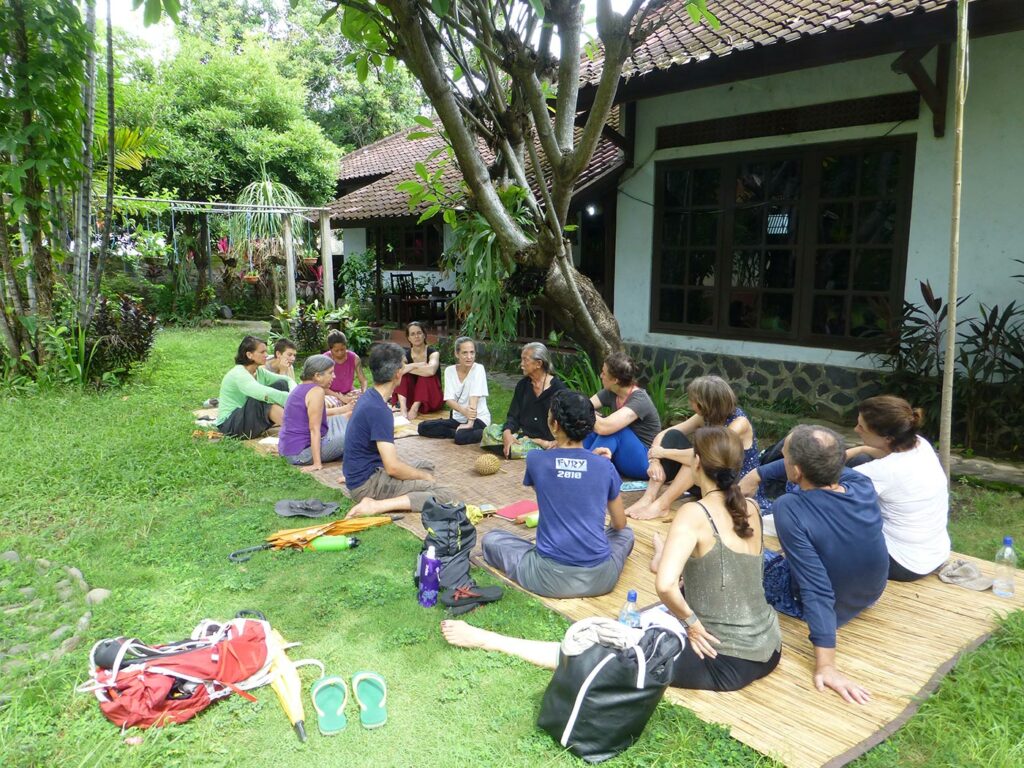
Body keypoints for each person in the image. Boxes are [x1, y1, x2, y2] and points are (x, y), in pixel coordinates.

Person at [443, 426, 782, 694]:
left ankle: (487, 639)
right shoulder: (749, 507)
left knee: (592, 648)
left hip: (723, 660)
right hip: (768, 646)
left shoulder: (695, 512)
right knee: (642, 621)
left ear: (696, 463)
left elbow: (664, 585)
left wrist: (692, 625)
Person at [739, 425, 888, 704]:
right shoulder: (861, 485)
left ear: (795, 471)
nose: (781, 464)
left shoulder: (790, 507)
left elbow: (815, 588)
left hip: (822, 602)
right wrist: (758, 473)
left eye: (783, 458)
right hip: (870, 594)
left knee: (739, 559)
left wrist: (827, 666)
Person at [480, 390, 634, 598]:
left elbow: (555, 491)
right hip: (600, 578)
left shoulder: (536, 460)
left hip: (546, 577)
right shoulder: (604, 466)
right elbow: (619, 524)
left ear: (555, 425)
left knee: (492, 539)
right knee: (626, 534)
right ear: (588, 427)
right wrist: (591, 462)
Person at [344, 342, 458, 518]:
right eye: (404, 366)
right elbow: (393, 468)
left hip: (364, 474)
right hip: (367, 484)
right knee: (445, 494)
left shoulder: (370, 397)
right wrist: (424, 478)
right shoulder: (379, 410)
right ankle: (376, 505)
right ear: (398, 374)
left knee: (426, 465)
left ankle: (405, 489)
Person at [846, 395, 950, 581]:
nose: (856, 429)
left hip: (902, 563)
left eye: (861, 427)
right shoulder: (919, 443)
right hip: (934, 551)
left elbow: (828, 496)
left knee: (827, 523)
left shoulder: (881, 471)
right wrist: (860, 449)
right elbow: (884, 454)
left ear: (888, 438)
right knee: (860, 461)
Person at [628, 376, 758, 520]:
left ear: (704, 403)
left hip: (732, 483)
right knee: (674, 437)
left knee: (699, 458)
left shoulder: (739, 423)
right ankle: (648, 498)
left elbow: (707, 454)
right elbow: (665, 434)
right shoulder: (705, 416)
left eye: (692, 400)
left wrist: (663, 453)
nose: (690, 404)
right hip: (705, 479)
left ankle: (662, 505)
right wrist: (655, 461)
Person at [582, 352, 661, 479]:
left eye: (604, 373)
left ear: (615, 380)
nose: (601, 375)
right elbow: (582, 406)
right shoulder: (611, 392)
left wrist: (590, 414)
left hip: (644, 462)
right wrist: (588, 413)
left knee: (616, 430)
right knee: (589, 426)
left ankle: (585, 468)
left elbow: (605, 427)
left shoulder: (640, 399)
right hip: (622, 456)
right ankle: (574, 461)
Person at [482, 342, 567, 458]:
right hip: (523, 436)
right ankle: (523, 447)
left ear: (538, 363)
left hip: (546, 440)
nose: (521, 364)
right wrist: (507, 433)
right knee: (488, 432)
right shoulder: (522, 385)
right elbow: (513, 415)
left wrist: (551, 441)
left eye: (525, 360)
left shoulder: (558, 389)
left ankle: (539, 446)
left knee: (514, 449)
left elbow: (565, 421)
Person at [278, 354, 353, 471]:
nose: (334, 376)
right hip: (301, 454)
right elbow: (314, 430)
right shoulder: (316, 391)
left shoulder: (301, 387)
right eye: (330, 373)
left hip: (289, 449)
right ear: (317, 375)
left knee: (350, 416)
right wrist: (317, 464)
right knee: (360, 433)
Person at [215, 336, 295, 439]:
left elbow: (287, 380)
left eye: (266, 351)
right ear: (249, 355)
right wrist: (294, 400)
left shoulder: (259, 371)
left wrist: (295, 394)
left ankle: (289, 422)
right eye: (262, 352)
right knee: (263, 399)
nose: (266, 355)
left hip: (247, 418)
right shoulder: (239, 374)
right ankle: (296, 430)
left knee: (281, 384)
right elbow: (264, 394)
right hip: (230, 425)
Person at [417, 336, 490, 445]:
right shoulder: (449, 371)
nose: (469, 357)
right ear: (457, 354)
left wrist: (469, 423)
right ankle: (456, 432)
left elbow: (474, 397)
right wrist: (463, 412)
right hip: (458, 418)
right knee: (422, 427)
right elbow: (449, 399)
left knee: (460, 438)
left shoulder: (478, 369)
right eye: (465, 353)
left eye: (472, 352)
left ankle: (482, 432)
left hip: (478, 418)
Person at [391, 321, 443, 419]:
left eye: (419, 333)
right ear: (409, 338)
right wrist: (417, 365)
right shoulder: (405, 355)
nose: (416, 336)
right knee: (403, 375)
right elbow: (397, 372)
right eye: (413, 334)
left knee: (426, 375)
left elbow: (430, 371)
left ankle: (415, 408)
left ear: (424, 335)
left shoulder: (433, 353)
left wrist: (407, 368)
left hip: (431, 398)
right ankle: (403, 408)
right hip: (411, 397)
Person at [325, 330, 368, 404]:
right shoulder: (324, 359)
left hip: (349, 392)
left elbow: (363, 380)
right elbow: (322, 387)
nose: (340, 353)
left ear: (346, 346)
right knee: (325, 404)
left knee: (366, 400)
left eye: (342, 349)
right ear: (330, 349)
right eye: (336, 350)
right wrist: (341, 397)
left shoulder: (354, 358)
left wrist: (364, 393)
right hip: (330, 394)